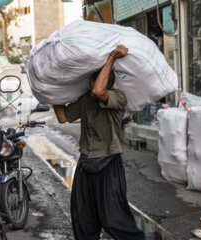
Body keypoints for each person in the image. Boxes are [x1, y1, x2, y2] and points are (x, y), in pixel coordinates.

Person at [53, 45, 145, 240]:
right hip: (86, 164)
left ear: (109, 85)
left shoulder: (118, 98)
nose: (90, 87)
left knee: (114, 220)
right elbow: (63, 117)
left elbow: (98, 91)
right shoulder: (86, 99)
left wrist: (112, 57)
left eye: (93, 83)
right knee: (82, 220)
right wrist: (52, 90)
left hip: (108, 164)